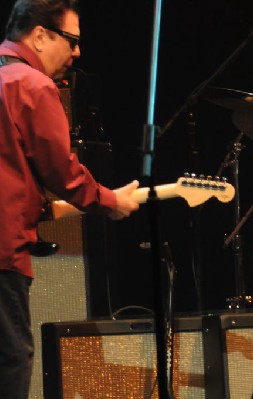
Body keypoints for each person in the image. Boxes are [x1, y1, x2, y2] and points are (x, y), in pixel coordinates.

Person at [0, 0, 140, 397]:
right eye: (72, 40)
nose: (77, 52)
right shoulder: (32, 84)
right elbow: (63, 172)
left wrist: (44, 207)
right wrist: (110, 201)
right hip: (2, 253)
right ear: (40, 36)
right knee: (10, 360)